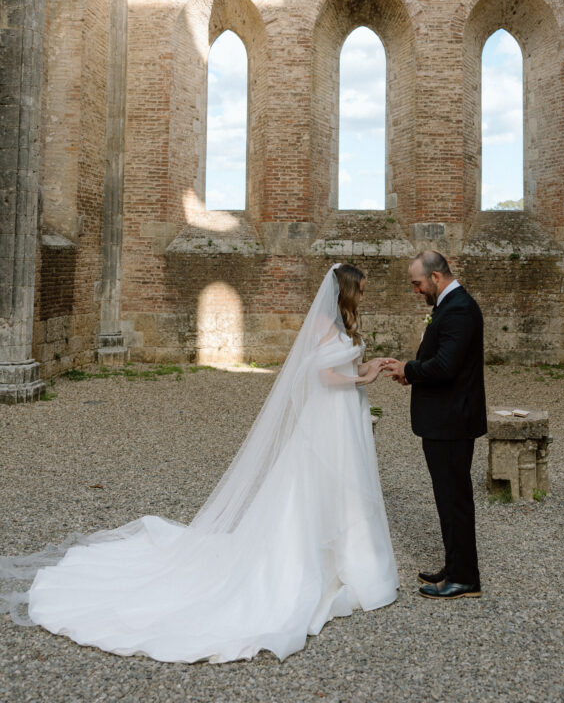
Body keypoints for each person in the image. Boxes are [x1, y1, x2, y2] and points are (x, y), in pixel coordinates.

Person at [0, 264, 398, 663]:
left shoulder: (342, 326)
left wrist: (369, 367)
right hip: (328, 419)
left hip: (342, 417)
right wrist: (361, 381)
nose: (363, 297)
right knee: (317, 485)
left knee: (344, 486)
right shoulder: (324, 326)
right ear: (346, 292)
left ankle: (349, 558)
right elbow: (323, 376)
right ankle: (312, 560)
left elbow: (342, 370)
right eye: (361, 291)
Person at [382, 250, 486, 600]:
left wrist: (409, 370)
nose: (416, 290)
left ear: (436, 277)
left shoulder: (459, 309)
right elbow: (439, 360)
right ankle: (455, 566)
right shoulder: (449, 305)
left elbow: (445, 366)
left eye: (418, 283)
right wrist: (411, 371)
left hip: (452, 422)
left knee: (454, 500)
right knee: (448, 498)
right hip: (445, 420)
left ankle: (464, 579)